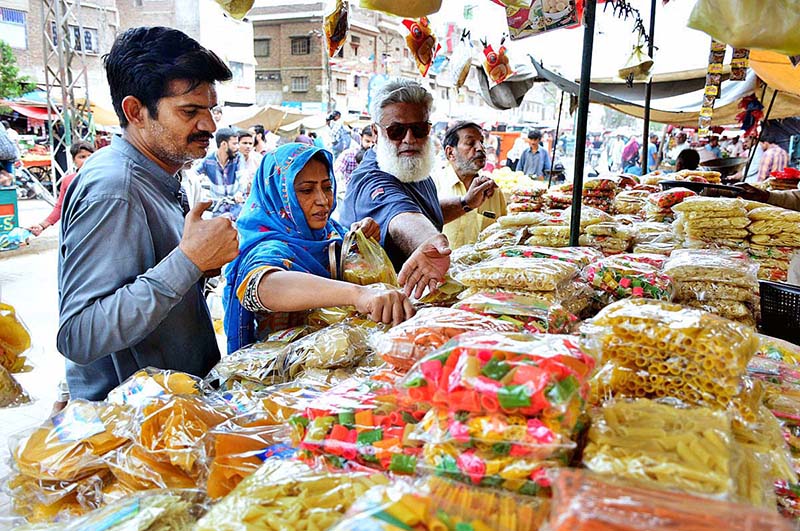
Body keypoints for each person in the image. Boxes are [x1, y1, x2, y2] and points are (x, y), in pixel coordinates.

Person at [57, 26, 239, 401]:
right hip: (130, 432)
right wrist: (188, 261)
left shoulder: (158, 173)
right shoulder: (115, 189)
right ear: (135, 111)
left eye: (210, 110)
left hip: (173, 413)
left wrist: (195, 268)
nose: (209, 126)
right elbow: (79, 334)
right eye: (190, 111)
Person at [223, 143, 414, 352]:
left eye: (326, 187)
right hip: (287, 376)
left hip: (341, 361)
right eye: (306, 190)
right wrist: (358, 295)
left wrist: (360, 242)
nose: (323, 200)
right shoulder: (267, 246)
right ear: (278, 193)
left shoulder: (331, 232)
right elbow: (262, 286)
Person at [340, 79, 495, 298]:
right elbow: (402, 217)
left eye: (419, 129)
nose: (409, 139)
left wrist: (465, 203)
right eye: (396, 131)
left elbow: (424, 210)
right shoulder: (371, 179)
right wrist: (431, 241)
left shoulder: (413, 166)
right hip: (378, 312)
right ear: (375, 133)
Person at [434, 121, 505, 249]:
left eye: (481, 142)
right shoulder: (433, 185)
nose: (480, 148)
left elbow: (504, 236)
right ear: (450, 153)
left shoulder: (492, 191)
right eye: (470, 143)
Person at [28, 141, 95, 236]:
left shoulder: (104, 178)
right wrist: (42, 225)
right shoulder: (69, 181)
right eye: (82, 157)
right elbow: (61, 207)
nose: (87, 160)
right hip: (77, 227)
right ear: (73, 160)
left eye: (90, 156)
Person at [196, 127, 247, 218]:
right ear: (224, 144)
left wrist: (240, 192)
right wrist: (197, 180)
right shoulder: (208, 160)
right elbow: (193, 174)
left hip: (236, 206)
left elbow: (242, 177)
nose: (238, 147)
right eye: (234, 144)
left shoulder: (238, 158)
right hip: (217, 207)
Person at [334, 126, 375, 190]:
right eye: (367, 141)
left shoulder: (379, 159)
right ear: (361, 138)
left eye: (373, 143)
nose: (370, 145)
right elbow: (336, 174)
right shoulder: (348, 155)